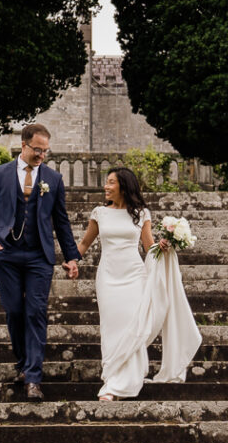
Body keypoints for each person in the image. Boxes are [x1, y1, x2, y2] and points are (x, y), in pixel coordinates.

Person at [0, 123, 80, 400]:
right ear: (24, 145)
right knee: (14, 311)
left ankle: (33, 377)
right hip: (5, 253)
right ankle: (22, 363)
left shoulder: (53, 179)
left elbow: (62, 221)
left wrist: (70, 257)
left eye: (46, 151)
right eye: (37, 150)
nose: (41, 155)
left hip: (39, 256)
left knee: (36, 312)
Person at [76, 167, 201, 400]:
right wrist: (72, 261)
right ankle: (113, 377)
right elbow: (84, 243)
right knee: (112, 327)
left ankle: (118, 386)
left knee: (132, 325)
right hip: (108, 277)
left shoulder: (142, 213)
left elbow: (148, 246)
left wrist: (164, 246)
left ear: (123, 186)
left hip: (134, 275)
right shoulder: (99, 213)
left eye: (110, 182)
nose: (106, 186)